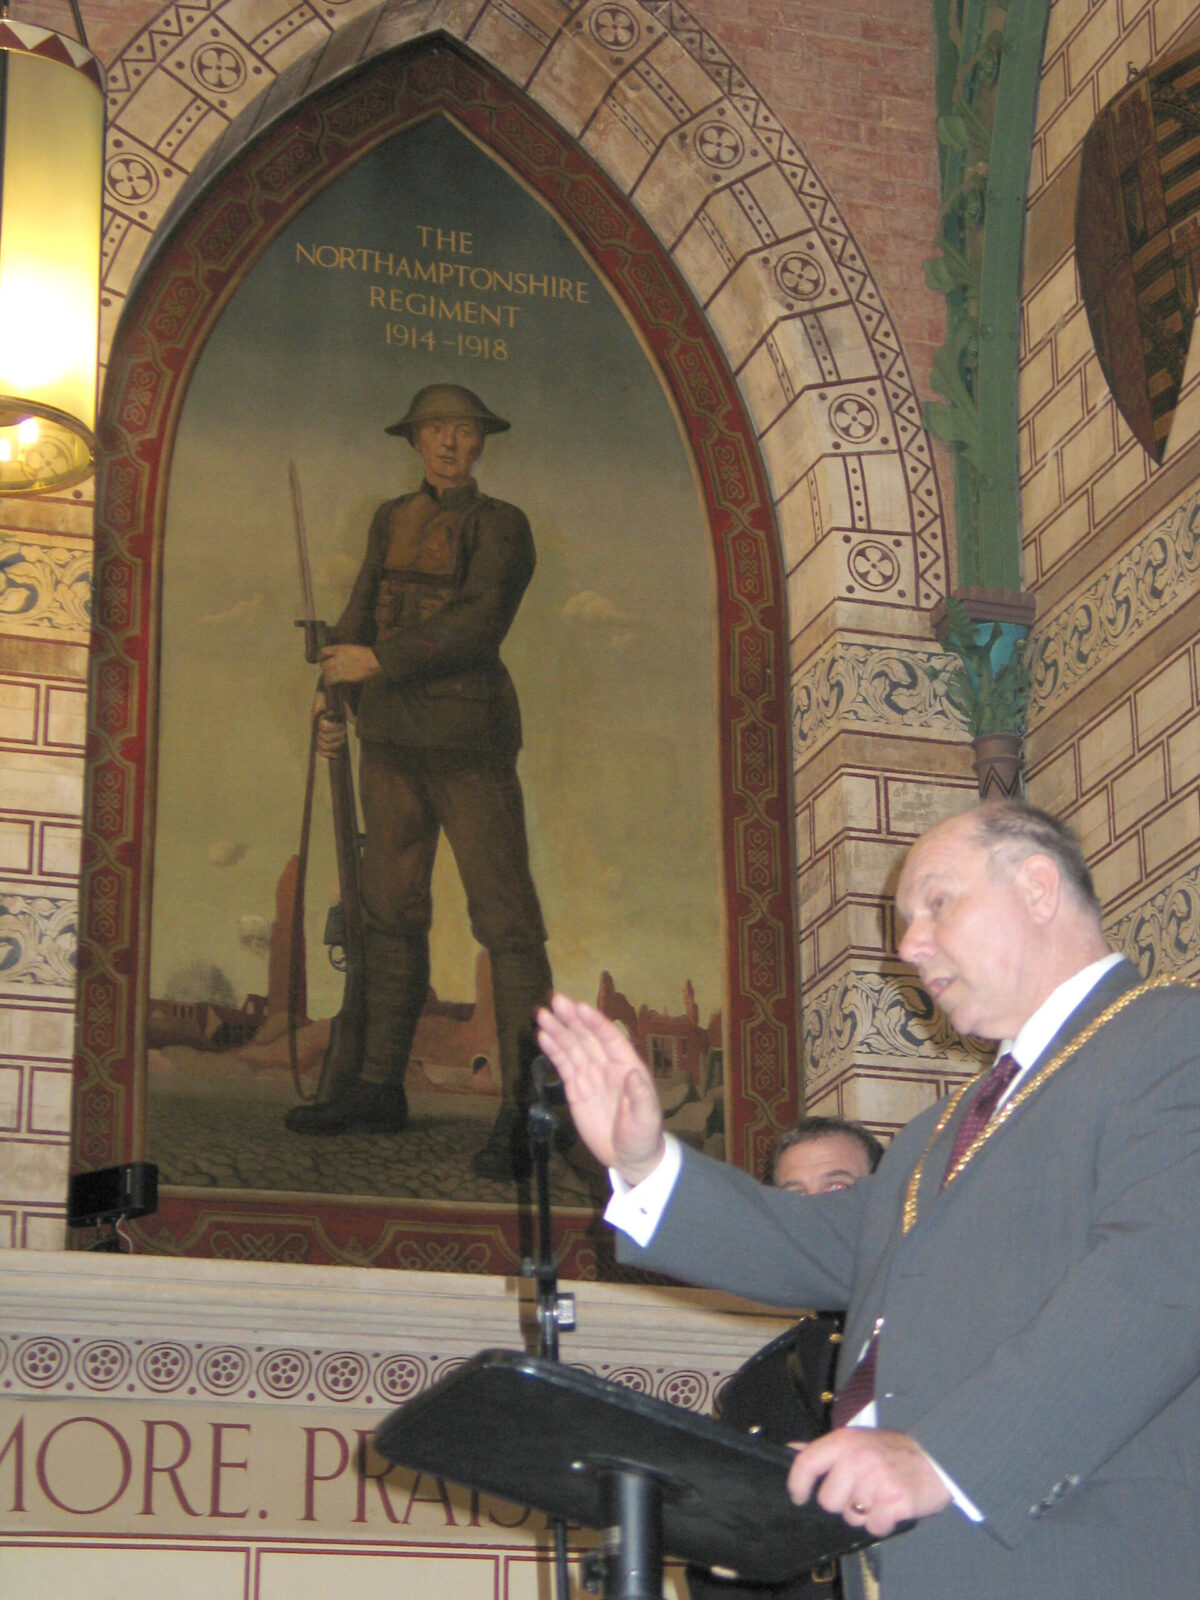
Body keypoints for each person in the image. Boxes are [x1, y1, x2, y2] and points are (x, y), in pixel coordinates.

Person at [536, 800, 1200, 1600]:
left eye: (935, 903)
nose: (909, 944)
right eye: (902, 920)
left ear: (1036, 887)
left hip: (1084, 1561)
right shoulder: (938, 1133)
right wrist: (643, 1160)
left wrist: (946, 1457)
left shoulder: (1170, 1040)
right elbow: (809, 1242)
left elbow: (1165, 1278)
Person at [286, 383, 551, 1181]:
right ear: (416, 440)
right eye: (437, 430)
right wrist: (340, 697)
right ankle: (375, 1089)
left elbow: (479, 620)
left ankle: (526, 1112)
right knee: (389, 911)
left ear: (480, 444)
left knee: (505, 921)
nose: (450, 444)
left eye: (464, 431)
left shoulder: (501, 525)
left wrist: (380, 661)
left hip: (468, 738)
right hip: (391, 739)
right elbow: (362, 613)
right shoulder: (390, 519)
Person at [688, 1119, 882, 1600]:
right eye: (794, 1196)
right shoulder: (761, 1382)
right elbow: (724, 1562)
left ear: (884, 1200)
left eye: (838, 1186)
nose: (814, 1210)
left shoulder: (950, 1336)